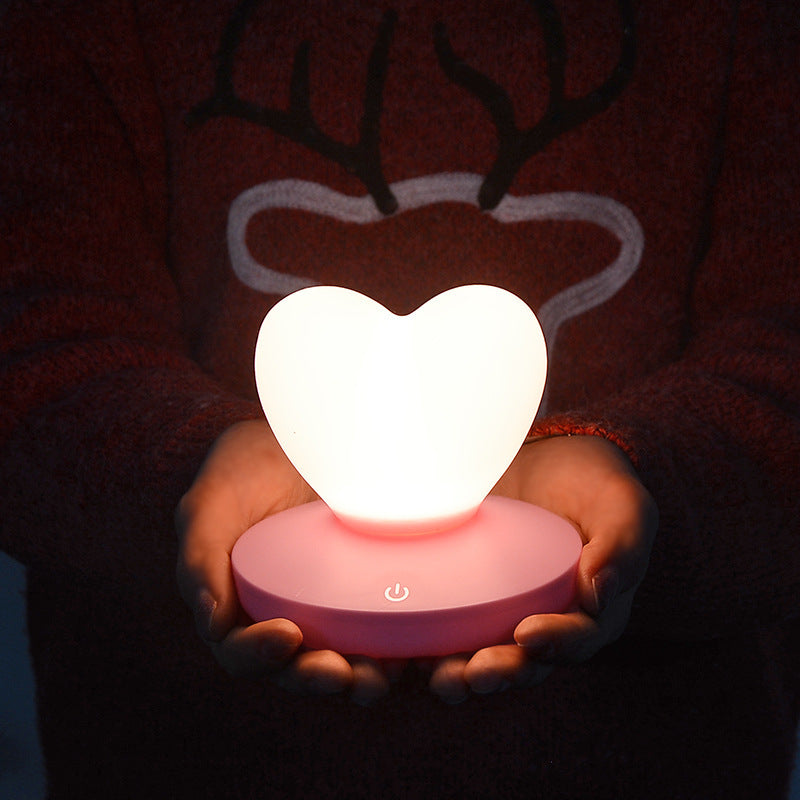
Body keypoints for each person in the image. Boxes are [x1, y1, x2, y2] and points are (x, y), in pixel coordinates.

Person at [1, 0, 798, 798]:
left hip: (669, 759)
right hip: (171, 758)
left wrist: (655, 479)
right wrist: (182, 460)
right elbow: (32, 319)